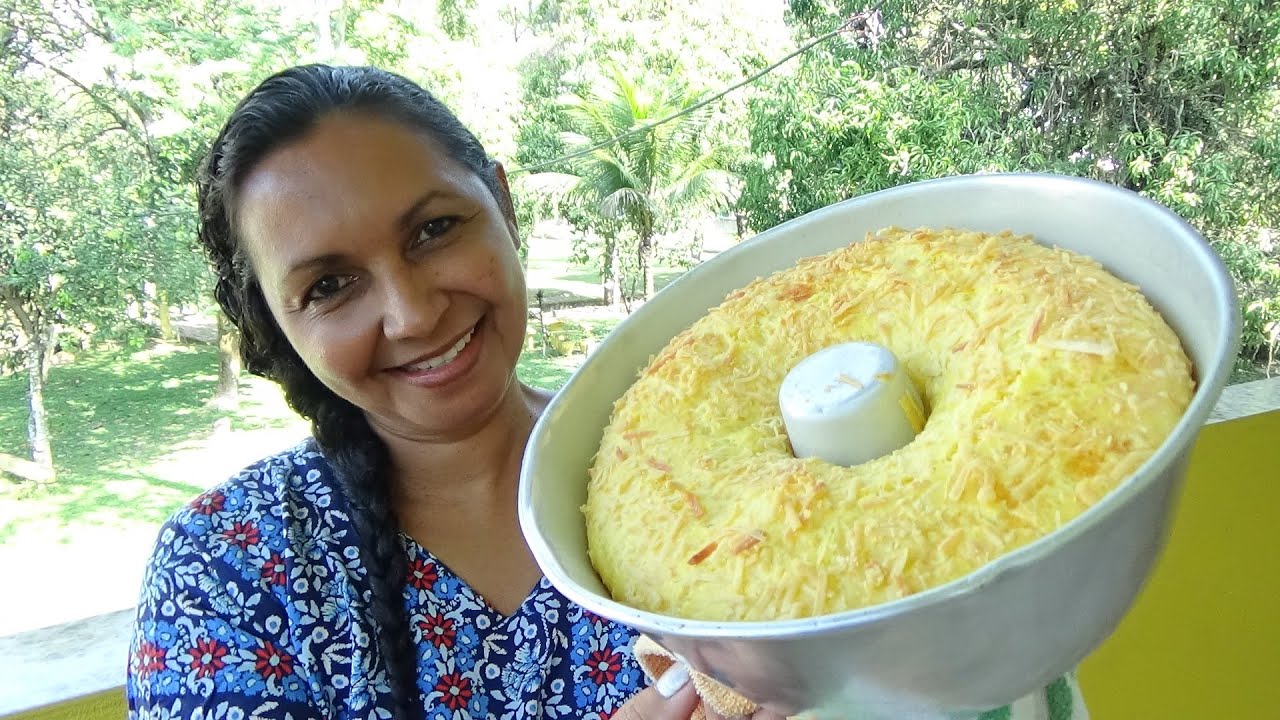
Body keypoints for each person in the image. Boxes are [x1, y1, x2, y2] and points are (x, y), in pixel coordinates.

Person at [125, 64, 782, 720]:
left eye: (433, 230)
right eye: (329, 285)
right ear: (276, 322)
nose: (411, 314)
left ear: (503, 204)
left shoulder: (699, 461)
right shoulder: (222, 571)